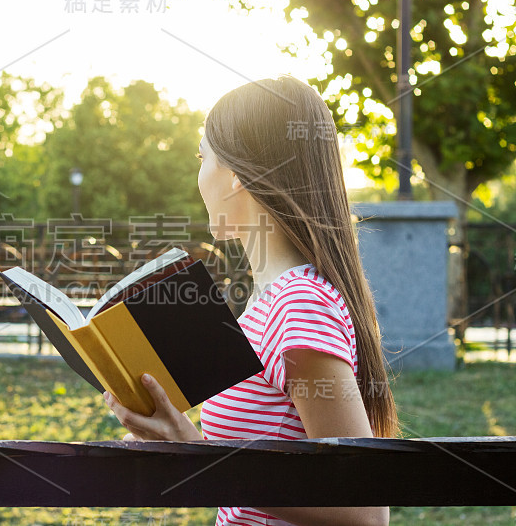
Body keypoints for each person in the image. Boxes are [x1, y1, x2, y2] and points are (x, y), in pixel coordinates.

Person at [102, 75, 398, 526]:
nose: (197, 174)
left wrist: (197, 456)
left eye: (203, 157)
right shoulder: (270, 301)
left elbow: (365, 511)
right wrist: (173, 438)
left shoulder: (298, 305)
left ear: (237, 177)